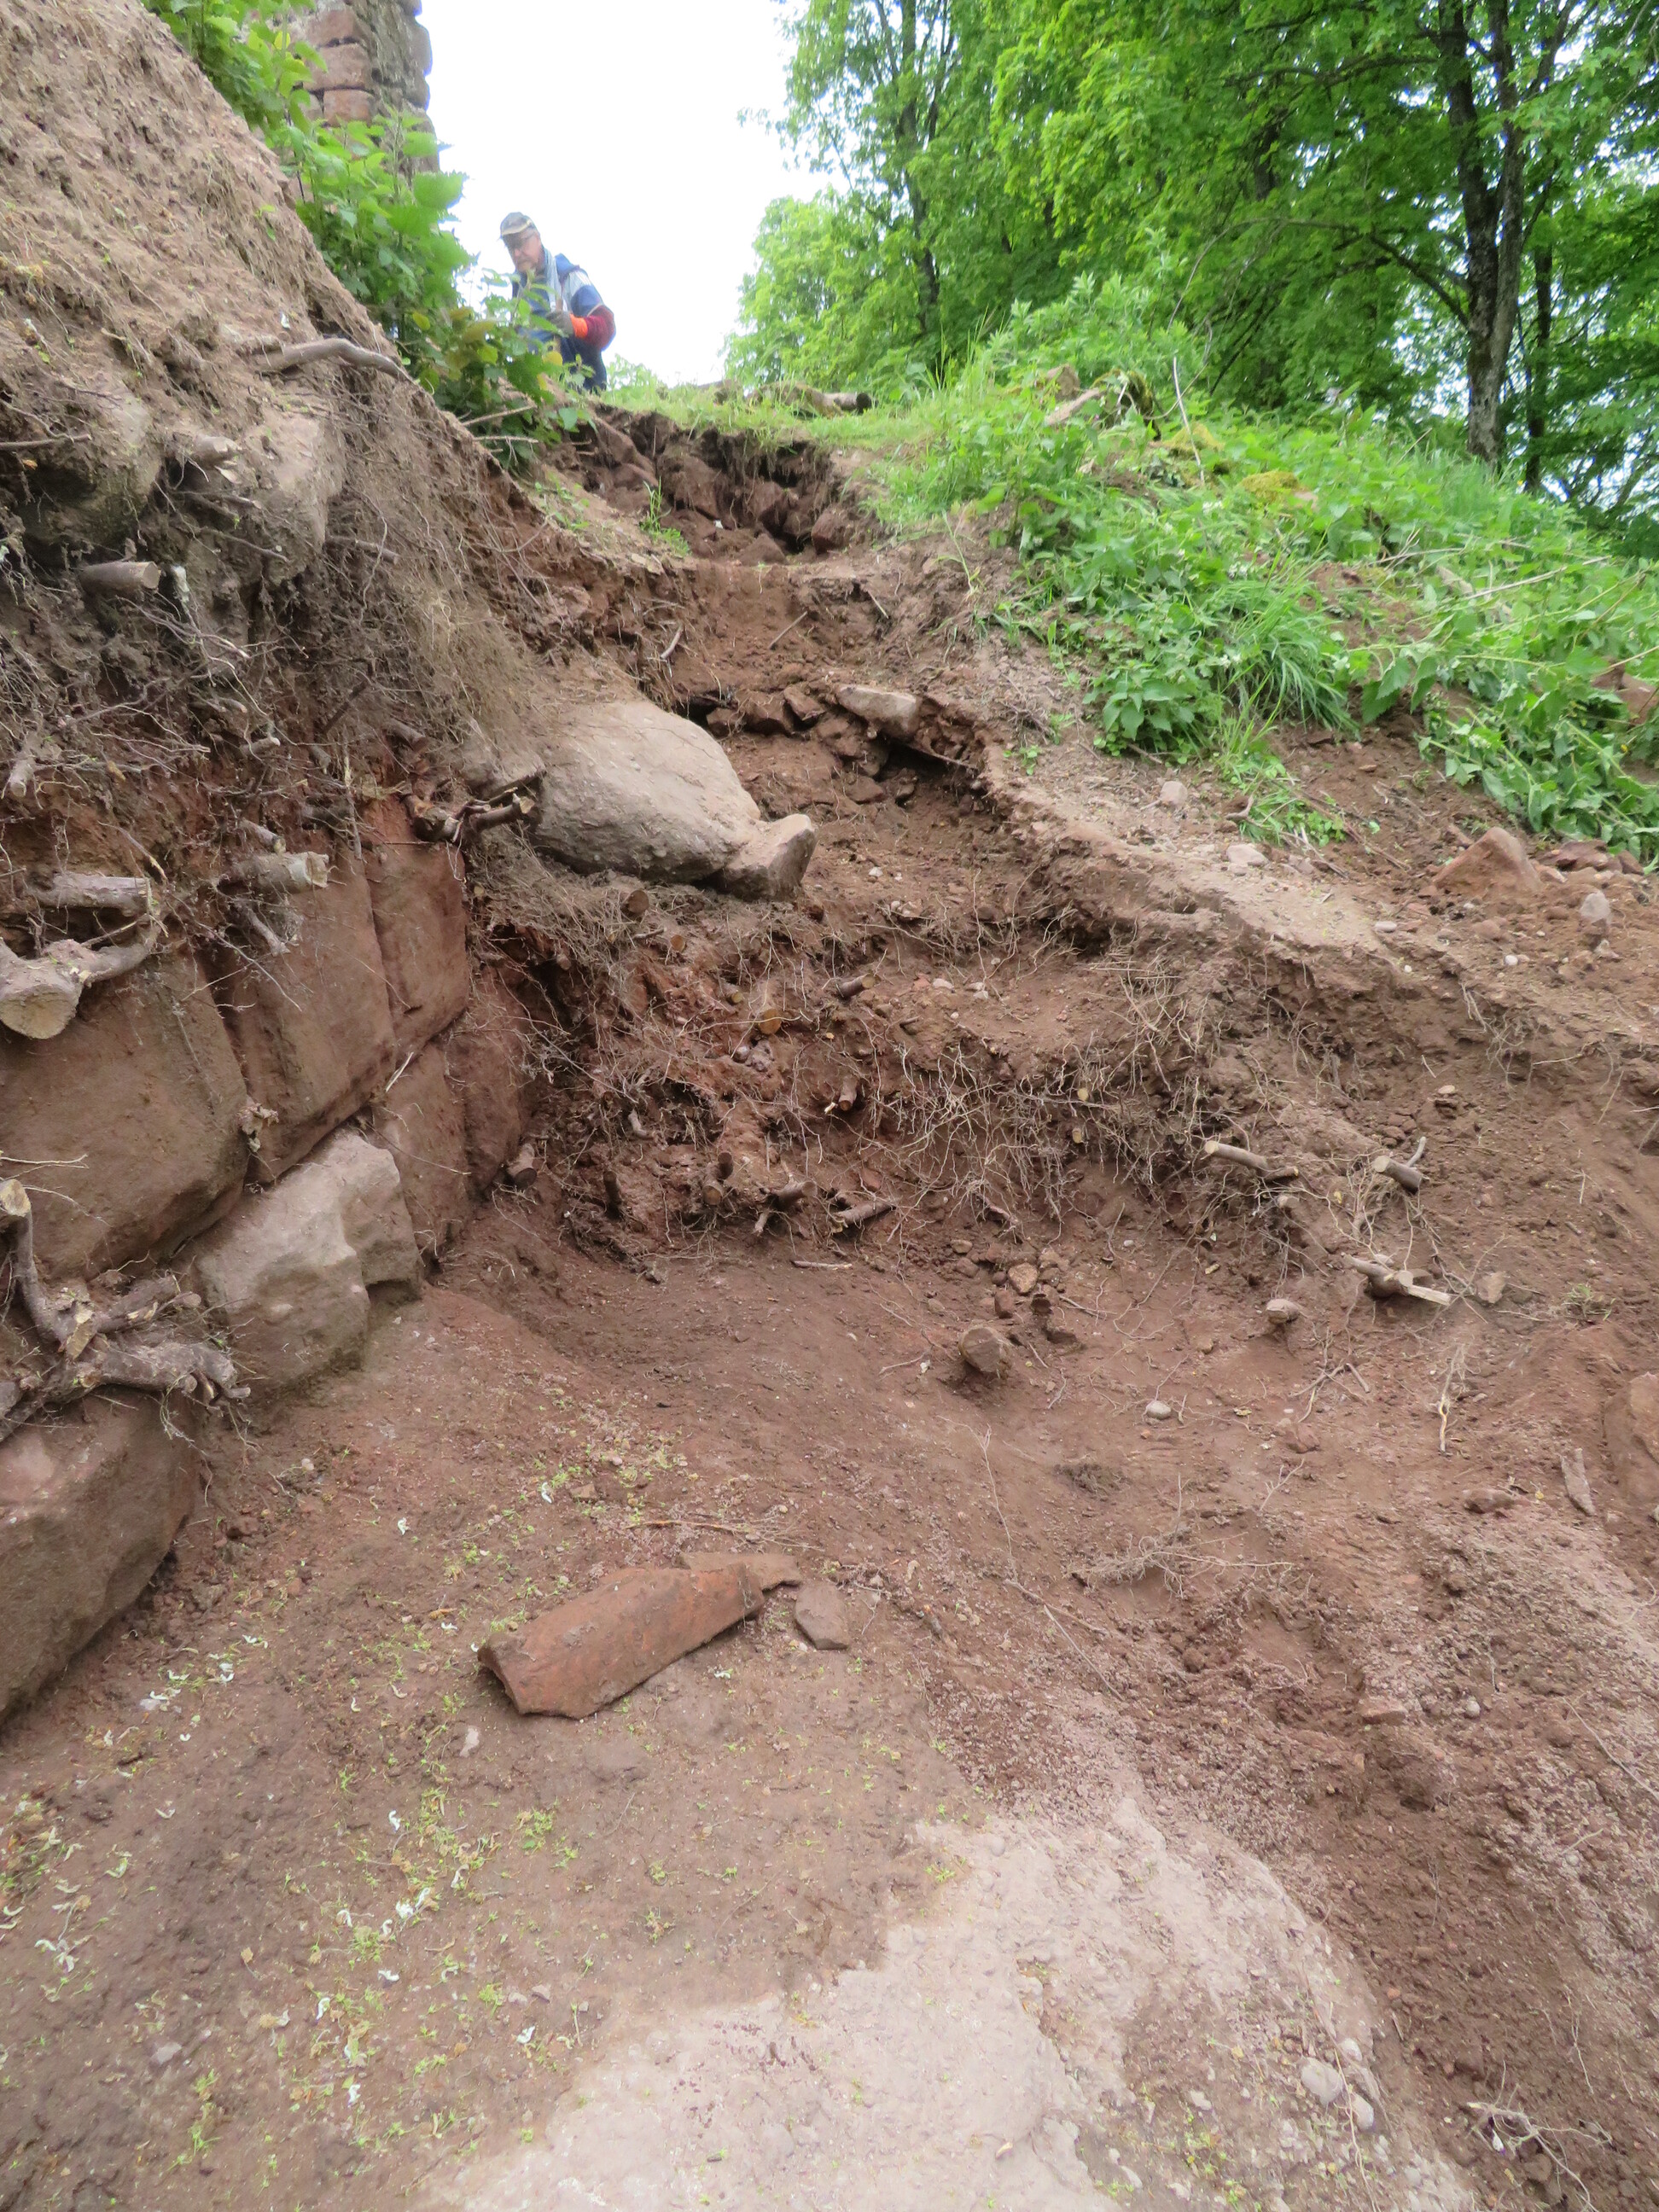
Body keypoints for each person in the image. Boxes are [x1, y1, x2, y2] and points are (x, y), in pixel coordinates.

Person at [500, 212, 615, 391]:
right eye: (510, 247)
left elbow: (607, 326)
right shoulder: (518, 287)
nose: (516, 253)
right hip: (531, 388)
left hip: (576, 388)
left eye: (521, 243)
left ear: (537, 238)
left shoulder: (568, 277)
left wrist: (575, 325)